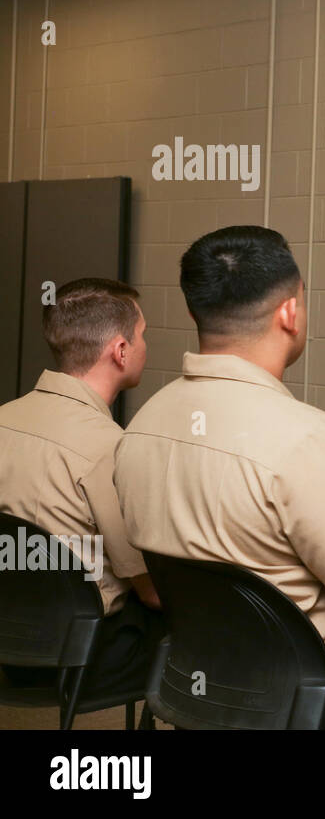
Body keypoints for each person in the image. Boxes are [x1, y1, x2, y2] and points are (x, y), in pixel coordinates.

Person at [115, 226, 325, 729]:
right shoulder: (312, 440)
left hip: (198, 681)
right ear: (289, 313)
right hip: (312, 699)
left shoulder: (139, 428)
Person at [0, 278, 163, 700]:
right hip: (81, 658)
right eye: (143, 335)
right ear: (120, 350)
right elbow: (147, 589)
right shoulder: (109, 448)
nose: (146, 346)